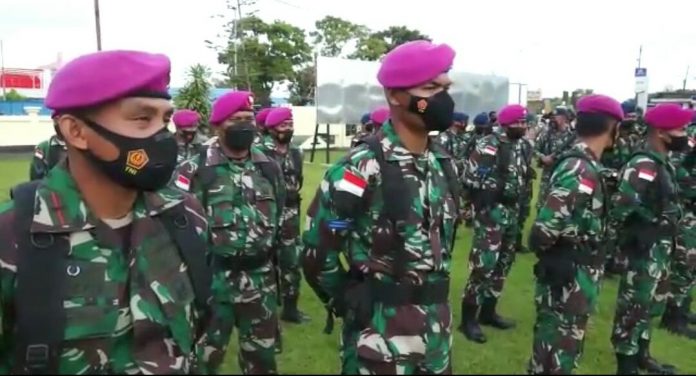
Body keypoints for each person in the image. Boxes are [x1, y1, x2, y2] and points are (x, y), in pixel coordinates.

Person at [0, 50, 213, 374]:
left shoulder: (185, 217)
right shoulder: (14, 234)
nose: (162, 136)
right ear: (76, 131)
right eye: (142, 119)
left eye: (164, 119)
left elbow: (201, 329)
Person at [302, 39, 463, 375]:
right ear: (395, 96)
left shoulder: (441, 163)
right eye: (430, 88)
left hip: (436, 339)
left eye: (446, 87)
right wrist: (350, 299)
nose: (441, 99)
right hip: (380, 341)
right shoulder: (360, 168)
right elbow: (319, 254)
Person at [172, 91, 286, 374]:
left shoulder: (269, 167)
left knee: (262, 361)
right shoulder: (194, 169)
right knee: (203, 360)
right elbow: (178, 227)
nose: (245, 125)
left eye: (249, 119)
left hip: (261, 281)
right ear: (217, 125)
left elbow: (279, 215)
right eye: (236, 120)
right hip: (213, 283)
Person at [527, 94, 622, 375]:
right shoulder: (580, 168)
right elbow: (544, 229)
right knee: (556, 352)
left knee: (562, 349)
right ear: (611, 126)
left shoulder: (587, 164)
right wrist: (559, 254)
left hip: (576, 276)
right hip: (566, 276)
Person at [610, 103, 692, 375]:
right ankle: (627, 365)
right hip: (643, 247)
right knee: (634, 306)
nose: (684, 133)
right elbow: (621, 206)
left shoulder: (662, 160)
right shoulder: (643, 163)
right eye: (679, 128)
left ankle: (643, 355)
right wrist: (641, 227)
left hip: (660, 246)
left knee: (649, 305)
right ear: (661, 132)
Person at [459, 104, 528, 343]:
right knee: (483, 266)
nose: (522, 126)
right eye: (517, 122)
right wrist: (491, 193)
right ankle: (468, 320)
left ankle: (489, 312)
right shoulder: (489, 145)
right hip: (492, 214)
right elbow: (469, 178)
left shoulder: (521, 145)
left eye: (524, 122)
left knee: (503, 264)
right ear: (505, 123)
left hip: (512, 213)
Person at [256, 107, 311, 324]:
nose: (287, 129)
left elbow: (299, 180)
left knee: (291, 261)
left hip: (290, 213)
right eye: (283, 125)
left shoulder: (297, 151)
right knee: (263, 260)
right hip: (264, 213)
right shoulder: (258, 151)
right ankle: (261, 308)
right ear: (271, 128)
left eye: (290, 124)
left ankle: (290, 308)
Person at [659, 110, 696, 339]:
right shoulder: (683, 146)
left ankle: (683, 308)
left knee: (691, 266)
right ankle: (673, 316)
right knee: (685, 264)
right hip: (685, 212)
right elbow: (677, 177)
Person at [535, 107, 575, 210]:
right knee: (542, 206)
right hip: (547, 177)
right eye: (551, 117)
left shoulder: (573, 137)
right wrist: (543, 158)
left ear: (565, 119)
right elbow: (534, 150)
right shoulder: (546, 134)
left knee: (562, 207)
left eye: (555, 117)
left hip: (565, 176)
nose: (552, 120)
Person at [516, 113, 537, 253]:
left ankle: (517, 242)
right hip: (517, 184)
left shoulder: (528, 142)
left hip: (526, 185)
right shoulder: (516, 142)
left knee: (523, 213)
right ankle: (512, 242)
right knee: (515, 214)